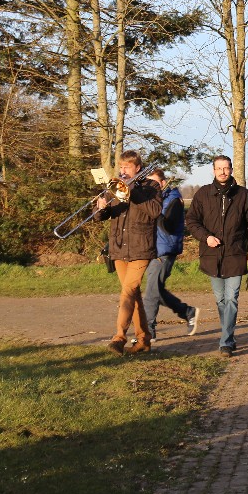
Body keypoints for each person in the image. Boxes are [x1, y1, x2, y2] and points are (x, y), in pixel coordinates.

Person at [185, 155, 248, 357]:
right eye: (219, 168)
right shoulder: (203, 194)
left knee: (231, 299)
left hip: (236, 254)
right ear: (213, 170)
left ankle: (226, 341)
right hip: (211, 256)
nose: (222, 172)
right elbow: (192, 221)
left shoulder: (243, 195)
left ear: (231, 170)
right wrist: (206, 237)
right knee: (220, 300)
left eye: (226, 168)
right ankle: (228, 334)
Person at [96, 150, 162, 356]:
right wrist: (100, 208)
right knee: (133, 295)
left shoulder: (151, 187)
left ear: (137, 168)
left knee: (128, 291)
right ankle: (143, 340)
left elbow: (155, 211)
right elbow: (101, 217)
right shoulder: (115, 186)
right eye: (121, 166)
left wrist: (131, 190)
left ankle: (119, 338)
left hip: (141, 248)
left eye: (127, 167)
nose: (123, 170)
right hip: (118, 248)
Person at [142, 168, 199, 342]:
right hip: (151, 249)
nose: (150, 187)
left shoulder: (173, 200)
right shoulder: (151, 199)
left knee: (151, 292)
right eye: (148, 183)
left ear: (163, 183)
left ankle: (148, 331)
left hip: (165, 251)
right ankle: (187, 311)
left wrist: (155, 211)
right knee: (155, 289)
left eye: (154, 183)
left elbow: (169, 226)